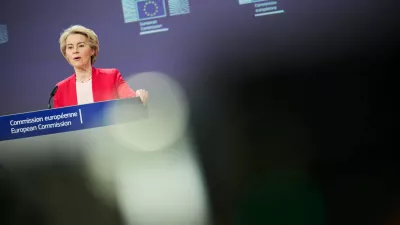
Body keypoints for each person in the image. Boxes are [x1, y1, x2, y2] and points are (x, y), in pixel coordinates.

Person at [53, 25, 148, 108]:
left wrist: (139, 99)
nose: (75, 51)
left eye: (81, 45)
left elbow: (131, 101)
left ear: (92, 50)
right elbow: (59, 123)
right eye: (70, 47)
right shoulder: (60, 89)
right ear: (66, 54)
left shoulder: (111, 76)